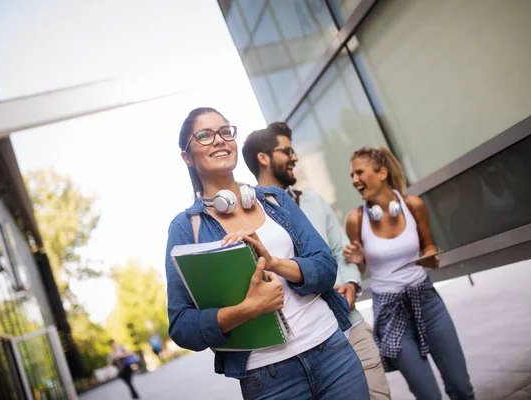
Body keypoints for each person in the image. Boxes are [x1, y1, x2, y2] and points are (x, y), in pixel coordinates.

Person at [164, 107, 369, 400]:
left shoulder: (276, 200)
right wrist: (249, 309)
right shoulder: (186, 228)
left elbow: (325, 267)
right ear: (187, 156)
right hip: (267, 378)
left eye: (225, 132)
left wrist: (275, 263)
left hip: (332, 352)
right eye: (205, 136)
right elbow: (182, 326)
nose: (219, 140)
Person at [242, 122, 391, 400]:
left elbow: (341, 251)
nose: (295, 157)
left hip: (349, 321)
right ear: (263, 157)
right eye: (287, 150)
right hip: (301, 344)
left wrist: (350, 285)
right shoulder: (245, 215)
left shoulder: (314, 201)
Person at [343, 146, 475, 400]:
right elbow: (359, 268)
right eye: (352, 175)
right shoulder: (356, 220)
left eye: (359, 172)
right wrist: (358, 261)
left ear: (382, 173)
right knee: (428, 396)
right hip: (390, 312)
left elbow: (429, 245)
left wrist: (431, 255)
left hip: (427, 301)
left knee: (461, 387)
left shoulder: (413, 205)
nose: (354, 180)